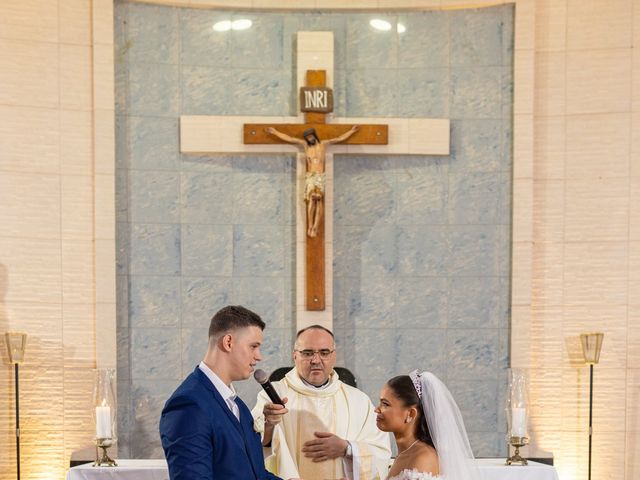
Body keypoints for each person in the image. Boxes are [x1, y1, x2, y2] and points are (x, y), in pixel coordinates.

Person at [159, 305, 298, 480]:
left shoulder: (237, 405)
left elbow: (257, 475)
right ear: (228, 342)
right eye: (253, 346)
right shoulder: (188, 405)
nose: (259, 356)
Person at [252, 325, 391, 480]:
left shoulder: (358, 401)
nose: (316, 360)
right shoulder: (272, 396)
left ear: (334, 356)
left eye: (324, 353)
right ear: (295, 355)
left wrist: (347, 448)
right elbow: (252, 445)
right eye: (307, 353)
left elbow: (381, 452)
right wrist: (269, 424)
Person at [375, 371, 481, 480]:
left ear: (411, 414)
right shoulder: (406, 453)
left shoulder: (423, 458)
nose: (376, 409)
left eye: (385, 404)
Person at [265, 125, 359, 237]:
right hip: (310, 175)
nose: (309, 139)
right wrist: (275, 132)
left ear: (314, 136)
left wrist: (351, 131)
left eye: (311, 136)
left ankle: (315, 226)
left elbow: (338, 139)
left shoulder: (323, 144)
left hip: (320, 176)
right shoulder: (306, 146)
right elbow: (290, 139)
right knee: (311, 200)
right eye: (307, 137)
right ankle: (310, 225)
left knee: (319, 200)